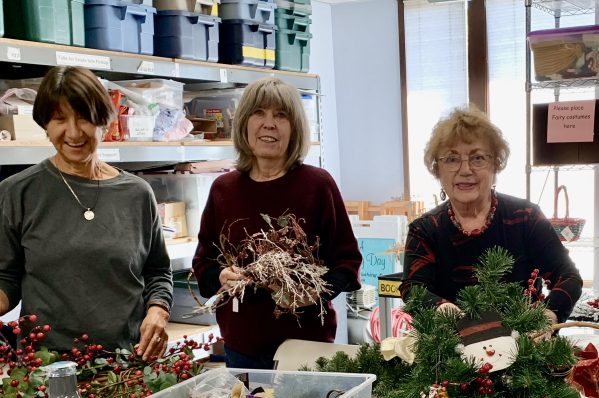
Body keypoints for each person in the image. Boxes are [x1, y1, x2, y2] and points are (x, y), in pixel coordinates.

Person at [0, 66, 172, 360]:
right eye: (59, 119)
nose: (74, 132)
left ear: (104, 121)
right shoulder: (18, 192)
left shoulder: (137, 194)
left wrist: (158, 310)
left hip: (126, 361)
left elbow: (157, 271)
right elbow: (6, 278)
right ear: (45, 124)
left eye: (84, 118)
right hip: (47, 368)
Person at [192, 78, 361, 369]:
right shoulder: (224, 189)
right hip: (241, 348)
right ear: (244, 123)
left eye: (281, 115)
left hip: (305, 348)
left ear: (294, 128)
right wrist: (221, 277)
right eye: (259, 113)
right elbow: (203, 264)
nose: (269, 124)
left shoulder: (317, 185)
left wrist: (313, 292)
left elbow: (347, 263)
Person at [401, 105, 582, 324]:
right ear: (437, 170)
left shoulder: (525, 217)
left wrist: (547, 314)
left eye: (477, 158)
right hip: (451, 347)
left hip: (523, 346)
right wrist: (448, 314)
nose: (465, 170)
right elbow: (413, 289)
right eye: (451, 159)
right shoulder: (425, 229)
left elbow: (568, 276)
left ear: (495, 165)